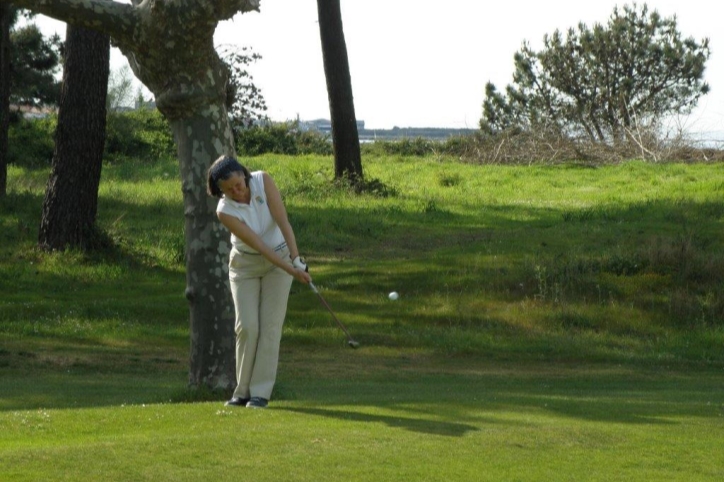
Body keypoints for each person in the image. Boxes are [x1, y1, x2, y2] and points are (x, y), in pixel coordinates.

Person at [207, 155, 312, 409]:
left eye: (239, 185)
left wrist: (296, 259)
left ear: (244, 175)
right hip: (246, 265)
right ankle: (241, 391)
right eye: (229, 190)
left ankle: (260, 393)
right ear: (221, 191)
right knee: (247, 326)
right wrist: (292, 270)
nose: (237, 192)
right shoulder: (224, 210)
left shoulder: (263, 181)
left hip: (281, 257)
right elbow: (260, 246)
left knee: (271, 326)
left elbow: (283, 222)